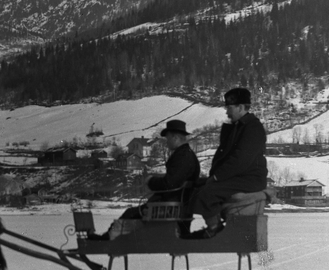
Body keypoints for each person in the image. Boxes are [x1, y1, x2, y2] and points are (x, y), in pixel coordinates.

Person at [89, 119, 200, 239]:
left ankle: (108, 239)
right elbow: (174, 181)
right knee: (132, 213)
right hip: (176, 206)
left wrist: (150, 181)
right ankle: (114, 237)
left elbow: (170, 183)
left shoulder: (182, 157)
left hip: (169, 207)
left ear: (175, 137)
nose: (166, 142)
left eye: (167, 139)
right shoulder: (186, 155)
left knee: (130, 213)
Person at [187, 88, 267, 238]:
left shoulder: (253, 128)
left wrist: (217, 177)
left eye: (230, 108)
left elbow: (240, 161)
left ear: (241, 107)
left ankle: (215, 229)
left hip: (250, 179)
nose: (227, 112)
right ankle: (213, 224)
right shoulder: (240, 127)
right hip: (239, 177)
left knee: (207, 193)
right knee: (194, 186)